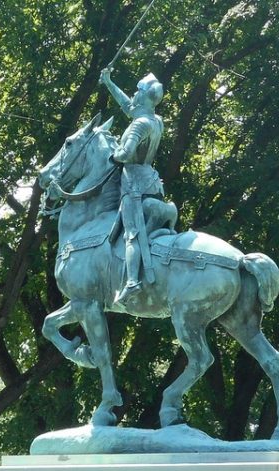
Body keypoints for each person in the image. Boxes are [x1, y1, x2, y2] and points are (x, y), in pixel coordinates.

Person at [100, 66, 168, 305]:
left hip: (134, 185)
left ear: (143, 95)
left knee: (132, 234)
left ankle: (131, 282)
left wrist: (113, 154)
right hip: (151, 181)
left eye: (136, 91)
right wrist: (109, 82)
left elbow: (126, 153)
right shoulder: (155, 120)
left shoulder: (140, 124)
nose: (133, 95)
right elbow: (128, 107)